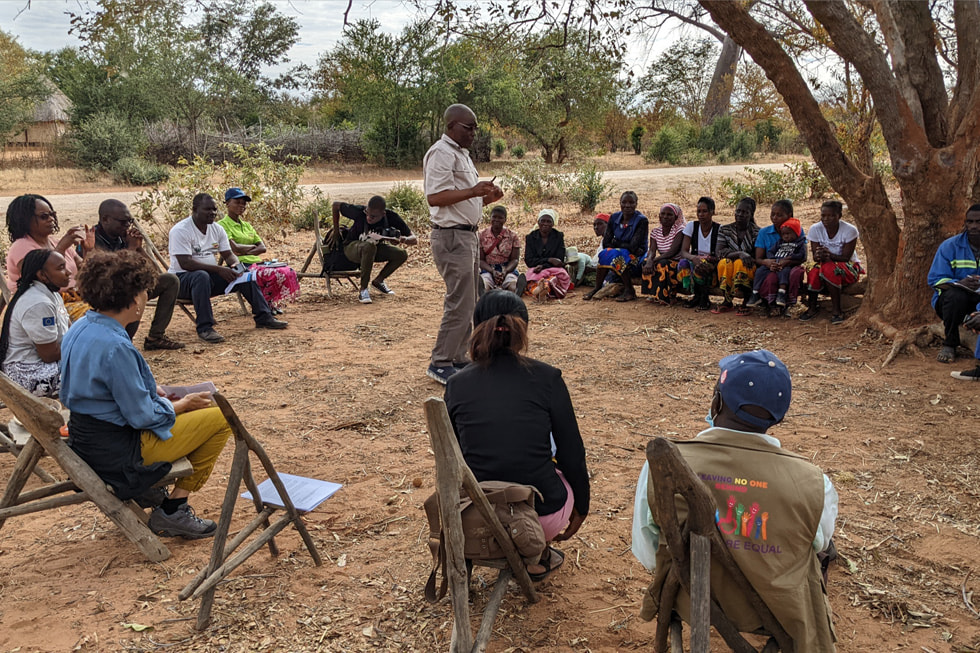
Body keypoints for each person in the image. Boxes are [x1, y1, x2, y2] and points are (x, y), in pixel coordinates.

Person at [632, 350, 838, 651]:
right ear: (778, 416)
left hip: (687, 597)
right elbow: (818, 545)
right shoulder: (814, 482)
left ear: (716, 402)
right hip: (776, 610)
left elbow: (647, 549)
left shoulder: (664, 467)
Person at [61, 250, 233, 539]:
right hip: (120, 450)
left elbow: (94, 384)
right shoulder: (116, 345)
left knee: (189, 410)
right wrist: (182, 404)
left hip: (87, 438)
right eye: (144, 290)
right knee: (219, 419)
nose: (146, 296)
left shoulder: (81, 327)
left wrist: (151, 390)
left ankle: (156, 495)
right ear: (133, 298)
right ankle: (174, 508)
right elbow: (142, 417)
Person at [445, 290, 590, 581]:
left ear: (476, 329)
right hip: (541, 515)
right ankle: (538, 549)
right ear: (522, 331)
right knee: (558, 469)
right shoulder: (548, 378)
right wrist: (582, 507)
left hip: (475, 516)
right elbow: (572, 453)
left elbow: (456, 456)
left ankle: (520, 548)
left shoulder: (456, 385)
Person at [423, 104, 503, 384]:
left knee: (469, 300)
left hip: (466, 234)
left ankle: (456, 357)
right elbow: (435, 197)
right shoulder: (441, 153)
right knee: (459, 300)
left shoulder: (461, 155)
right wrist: (473, 190)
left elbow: (460, 198)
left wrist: (486, 198)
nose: (473, 132)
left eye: (475, 127)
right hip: (451, 236)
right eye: (468, 127)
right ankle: (441, 361)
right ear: (450, 126)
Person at [168, 193, 287, 343]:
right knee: (201, 276)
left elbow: (228, 254)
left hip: (207, 278)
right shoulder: (181, 230)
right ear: (195, 209)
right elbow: (186, 263)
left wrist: (236, 267)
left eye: (214, 210)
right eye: (207, 209)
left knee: (245, 273)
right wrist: (219, 270)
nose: (212, 213)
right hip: (181, 281)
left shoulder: (216, 229)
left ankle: (264, 316)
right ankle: (205, 328)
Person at [91, 199, 184, 350]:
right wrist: (130, 249)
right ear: (105, 219)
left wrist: (139, 249)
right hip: (105, 292)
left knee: (169, 280)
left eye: (130, 221)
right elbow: (106, 275)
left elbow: (154, 272)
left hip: (130, 286)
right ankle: (124, 343)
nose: (127, 226)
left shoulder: (123, 237)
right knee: (134, 294)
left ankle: (156, 336)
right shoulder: (92, 239)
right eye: (122, 222)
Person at [5, 194, 93, 322]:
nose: (51, 219)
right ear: (25, 220)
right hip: (46, 304)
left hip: (75, 298)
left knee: (122, 305)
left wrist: (88, 250)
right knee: (99, 315)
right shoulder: (22, 247)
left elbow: (85, 272)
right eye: (44, 216)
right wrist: (61, 248)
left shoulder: (55, 242)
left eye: (52, 214)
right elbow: (43, 281)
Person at [0, 249, 70, 398]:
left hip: (43, 365)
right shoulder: (38, 303)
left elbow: (70, 328)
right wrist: (81, 348)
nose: (68, 272)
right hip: (26, 373)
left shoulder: (52, 294)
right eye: (61, 268)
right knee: (92, 368)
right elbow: (49, 355)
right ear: (42, 275)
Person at [218, 188, 300, 314]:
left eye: (244, 203)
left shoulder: (247, 225)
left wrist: (244, 250)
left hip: (257, 262)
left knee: (287, 271)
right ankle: (265, 305)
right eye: (237, 202)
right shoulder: (222, 225)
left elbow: (263, 247)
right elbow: (234, 249)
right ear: (227, 203)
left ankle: (268, 302)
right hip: (240, 265)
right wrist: (252, 248)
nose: (241, 205)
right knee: (272, 275)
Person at [330, 195, 418, 305]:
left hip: (373, 250)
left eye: (373, 216)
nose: (369, 218)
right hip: (352, 248)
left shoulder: (391, 217)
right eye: (367, 214)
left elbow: (414, 239)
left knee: (401, 254)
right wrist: (336, 230)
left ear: (383, 214)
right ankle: (363, 290)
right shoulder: (358, 211)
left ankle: (379, 281)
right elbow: (336, 205)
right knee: (369, 247)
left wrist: (402, 239)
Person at [928, 204, 980, 368]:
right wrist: (959, 283)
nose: (973, 226)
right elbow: (935, 279)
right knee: (954, 296)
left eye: (979, 222)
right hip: (955, 300)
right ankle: (950, 344)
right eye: (970, 222)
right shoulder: (949, 246)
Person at [800, 200, 862, 325]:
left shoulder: (850, 230)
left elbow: (846, 257)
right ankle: (812, 307)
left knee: (830, 268)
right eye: (823, 216)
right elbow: (816, 258)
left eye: (831, 215)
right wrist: (820, 255)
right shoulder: (815, 229)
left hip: (848, 267)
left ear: (839, 216)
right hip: (824, 265)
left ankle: (837, 310)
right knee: (813, 269)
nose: (826, 219)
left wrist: (829, 255)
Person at [586, 191, 648, 302]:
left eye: (631, 202)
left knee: (618, 254)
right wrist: (623, 245)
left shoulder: (641, 220)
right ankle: (597, 287)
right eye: (624, 202)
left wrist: (616, 242)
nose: (627, 206)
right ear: (620, 203)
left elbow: (634, 247)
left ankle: (630, 290)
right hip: (620, 254)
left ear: (636, 204)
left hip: (638, 258)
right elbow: (606, 243)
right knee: (605, 253)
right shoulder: (614, 218)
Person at [745, 200, 805, 312]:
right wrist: (768, 262)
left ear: (789, 215)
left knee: (792, 273)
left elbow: (803, 256)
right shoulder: (764, 232)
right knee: (766, 275)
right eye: (773, 214)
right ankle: (762, 298)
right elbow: (759, 258)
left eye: (779, 215)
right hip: (771, 265)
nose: (775, 218)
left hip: (789, 265)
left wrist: (786, 262)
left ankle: (788, 303)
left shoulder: (797, 230)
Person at [714, 197, 760, 315]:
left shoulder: (757, 232)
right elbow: (719, 253)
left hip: (748, 267)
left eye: (745, 212)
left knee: (741, 263)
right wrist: (740, 253)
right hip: (729, 267)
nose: (740, 214)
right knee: (725, 263)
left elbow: (755, 256)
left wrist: (732, 254)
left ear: (751, 214)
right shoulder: (725, 230)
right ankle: (727, 300)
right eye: (738, 211)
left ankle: (747, 299)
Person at [677, 196, 722, 311]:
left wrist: (704, 260)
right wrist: (693, 258)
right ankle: (697, 295)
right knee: (684, 263)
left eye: (705, 211)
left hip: (711, 264)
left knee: (702, 266)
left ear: (713, 212)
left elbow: (718, 255)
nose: (701, 214)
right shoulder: (692, 226)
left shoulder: (719, 229)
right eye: (699, 211)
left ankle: (703, 297)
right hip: (695, 261)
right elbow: (684, 251)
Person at [640, 203, 687, 305]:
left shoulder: (680, 230)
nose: (665, 217)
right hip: (663, 259)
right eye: (663, 214)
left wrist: (654, 260)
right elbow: (652, 250)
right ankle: (653, 294)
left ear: (676, 217)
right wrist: (649, 261)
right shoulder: (655, 232)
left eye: (669, 215)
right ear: (659, 216)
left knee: (662, 264)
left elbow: (672, 252)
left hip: (677, 262)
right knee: (645, 263)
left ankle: (668, 296)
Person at [523, 209, 571, 300]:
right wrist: (548, 260)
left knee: (553, 279)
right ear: (538, 222)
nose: (545, 224)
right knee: (532, 278)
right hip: (536, 269)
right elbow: (529, 260)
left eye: (549, 221)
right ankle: (538, 290)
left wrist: (543, 265)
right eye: (543, 221)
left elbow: (559, 260)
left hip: (553, 269)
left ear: (553, 224)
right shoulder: (530, 237)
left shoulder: (558, 236)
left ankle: (543, 289)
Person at [478, 205, 522, 293]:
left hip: (507, 269)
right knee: (486, 283)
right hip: (488, 269)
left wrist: (505, 271)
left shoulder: (512, 236)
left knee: (512, 283)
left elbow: (515, 259)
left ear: (505, 220)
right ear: (490, 218)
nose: (497, 220)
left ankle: (517, 290)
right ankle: (483, 291)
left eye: (500, 218)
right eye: (494, 217)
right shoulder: (482, 235)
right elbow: (481, 260)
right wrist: (492, 271)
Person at [570, 213, 609, 287]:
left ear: (608, 225)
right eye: (594, 225)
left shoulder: (611, 241)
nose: (596, 227)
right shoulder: (604, 241)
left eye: (600, 224)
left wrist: (591, 269)